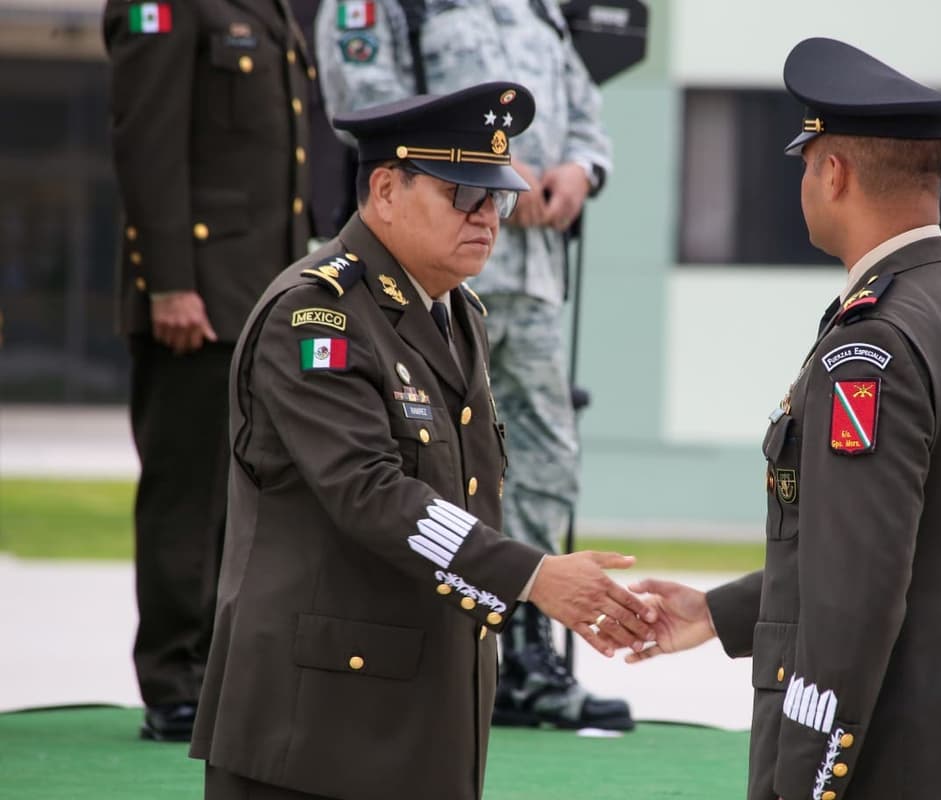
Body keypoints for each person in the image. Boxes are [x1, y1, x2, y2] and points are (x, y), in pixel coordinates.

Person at [188, 82, 655, 800]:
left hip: (416, 717)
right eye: (462, 194)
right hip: (313, 729)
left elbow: (462, 491)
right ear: (384, 190)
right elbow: (372, 495)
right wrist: (533, 576)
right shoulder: (317, 315)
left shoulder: (456, 310)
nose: (486, 219)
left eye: (495, 198)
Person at [625, 38, 941, 800]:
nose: (803, 180)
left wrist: (809, 777)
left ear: (835, 171)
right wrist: (719, 614)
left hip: (897, 756)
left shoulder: (872, 346)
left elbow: (859, 593)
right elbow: (908, 550)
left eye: (805, 160)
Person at [314, 0, 627, 730]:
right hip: (424, 278)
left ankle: (523, 650)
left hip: (532, 275)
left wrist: (581, 170)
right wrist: (481, 166)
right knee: (434, 460)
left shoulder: (535, 8)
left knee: (545, 459)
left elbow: (583, 103)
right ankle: (453, 636)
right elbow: (368, 107)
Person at [102, 0, 315, 742]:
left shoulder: (276, 8)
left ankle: (225, 671)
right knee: (187, 497)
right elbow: (147, 139)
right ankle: (173, 682)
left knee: (251, 498)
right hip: (195, 295)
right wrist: (168, 282)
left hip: (265, 292)